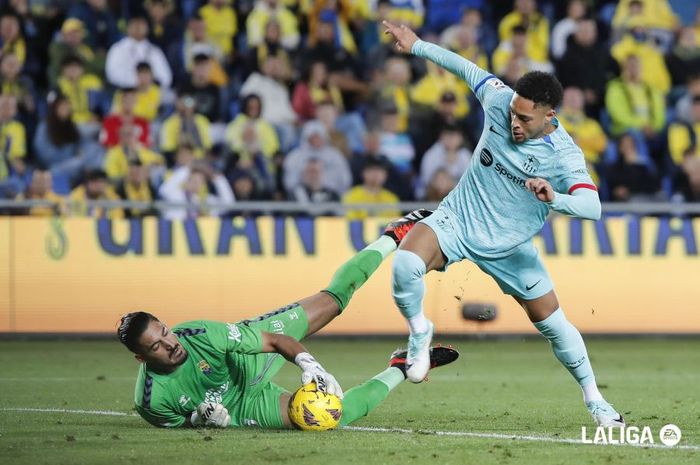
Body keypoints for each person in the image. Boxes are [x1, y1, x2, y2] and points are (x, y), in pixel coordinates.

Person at [382, 21, 624, 427]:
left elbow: (593, 207)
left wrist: (556, 198)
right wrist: (419, 45)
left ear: (549, 116)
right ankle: (419, 332)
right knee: (405, 265)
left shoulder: (563, 155)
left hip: (511, 247)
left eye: (525, 119)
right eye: (514, 112)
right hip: (458, 219)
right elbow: (466, 68)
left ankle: (595, 399)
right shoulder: (500, 100)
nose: (515, 122)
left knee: (555, 326)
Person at [117, 212, 459, 429]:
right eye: (156, 347)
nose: (170, 343)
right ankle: (402, 365)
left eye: (164, 332)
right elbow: (179, 422)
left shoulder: (200, 334)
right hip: (242, 404)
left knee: (331, 302)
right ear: (141, 358)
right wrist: (198, 419)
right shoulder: (149, 401)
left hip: (248, 355)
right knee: (326, 417)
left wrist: (309, 365)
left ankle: (392, 236)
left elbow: (272, 341)